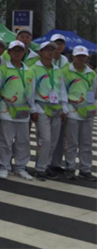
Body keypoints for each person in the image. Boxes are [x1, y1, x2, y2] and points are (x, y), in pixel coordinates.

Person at [0, 40, 35, 180]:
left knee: (22, 141)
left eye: (20, 50)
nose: (17, 53)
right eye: (14, 50)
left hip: (23, 111)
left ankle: (20, 167)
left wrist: (32, 109)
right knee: (5, 140)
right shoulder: (2, 70)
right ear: (9, 52)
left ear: (24, 52)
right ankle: (4, 166)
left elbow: (32, 92)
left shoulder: (29, 71)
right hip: (6, 111)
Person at [29, 41, 68, 181]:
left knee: (54, 140)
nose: (50, 52)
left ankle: (46, 166)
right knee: (45, 139)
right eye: (46, 50)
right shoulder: (33, 69)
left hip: (57, 109)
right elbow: (31, 91)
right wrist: (34, 109)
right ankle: (40, 169)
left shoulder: (57, 70)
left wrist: (64, 108)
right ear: (40, 52)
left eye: (52, 50)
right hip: (42, 107)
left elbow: (62, 90)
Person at [61, 46, 96, 181]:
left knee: (86, 142)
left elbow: (92, 91)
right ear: (73, 57)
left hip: (87, 112)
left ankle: (85, 169)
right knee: (71, 142)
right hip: (72, 111)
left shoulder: (91, 73)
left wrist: (91, 106)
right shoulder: (66, 71)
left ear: (87, 57)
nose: (81, 59)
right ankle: (70, 167)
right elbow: (63, 92)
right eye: (78, 56)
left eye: (83, 56)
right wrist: (65, 109)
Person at [49, 33, 69, 173]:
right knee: (45, 138)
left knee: (60, 137)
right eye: (56, 43)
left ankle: (55, 163)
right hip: (46, 103)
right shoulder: (45, 60)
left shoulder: (66, 62)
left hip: (61, 103)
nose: (58, 46)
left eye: (61, 43)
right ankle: (44, 163)